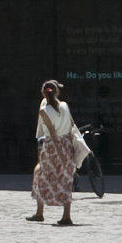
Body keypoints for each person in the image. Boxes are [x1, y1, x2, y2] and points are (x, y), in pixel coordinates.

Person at [30, 80, 81, 226]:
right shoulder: (64, 106)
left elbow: (52, 132)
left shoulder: (44, 111)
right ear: (57, 92)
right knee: (65, 178)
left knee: (42, 176)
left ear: (43, 93)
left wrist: (58, 151)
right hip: (66, 143)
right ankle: (66, 215)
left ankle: (40, 212)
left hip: (53, 145)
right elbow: (71, 125)